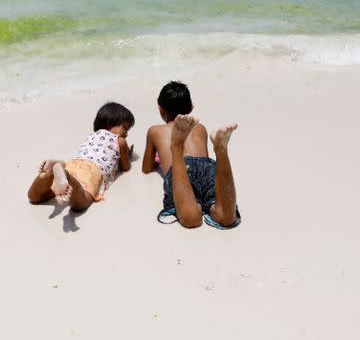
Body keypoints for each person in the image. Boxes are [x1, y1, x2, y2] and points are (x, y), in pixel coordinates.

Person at [142, 81, 241, 229]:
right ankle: (221, 151)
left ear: (161, 110)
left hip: (181, 168)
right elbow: (200, 165)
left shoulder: (155, 131)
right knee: (226, 218)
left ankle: (176, 147)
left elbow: (147, 168)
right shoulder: (200, 128)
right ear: (191, 108)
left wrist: (159, 159)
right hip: (207, 166)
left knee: (191, 219)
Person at [27, 102, 134, 212]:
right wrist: (126, 154)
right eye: (125, 128)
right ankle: (68, 177)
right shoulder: (120, 141)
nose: (126, 134)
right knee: (81, 203)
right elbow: (125, 167)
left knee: (34, 198)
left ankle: (48, 174)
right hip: (92, 170)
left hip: (73, 163)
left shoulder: (92, 136)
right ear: (109, 123)